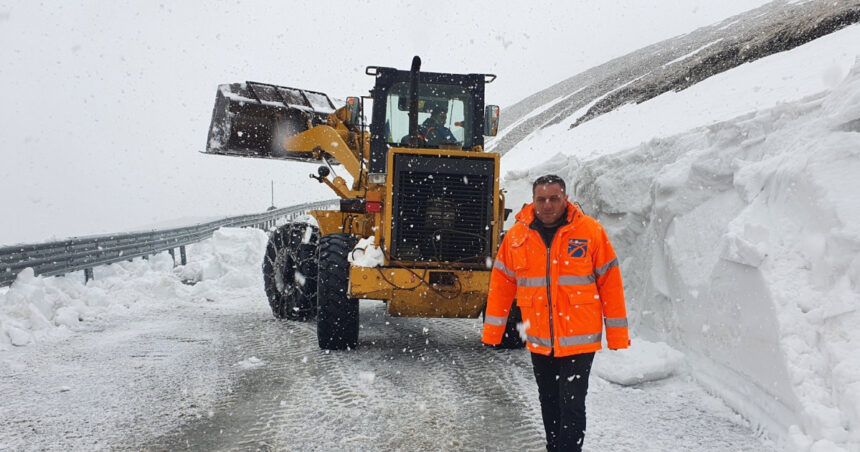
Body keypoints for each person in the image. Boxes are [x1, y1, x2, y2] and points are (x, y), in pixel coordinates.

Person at [482, 174, 630, 452]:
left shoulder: (590, 232)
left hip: (579, 339)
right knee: (548, 401)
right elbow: (501, 286)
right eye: (541, 199)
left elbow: (610, 284)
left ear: (565, 199)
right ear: (533, 200)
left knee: (572, 403)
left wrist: (617, 334)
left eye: (554, 198)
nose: (547, 205)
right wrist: (492, 331)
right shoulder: (517, 237)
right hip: (539, 337)